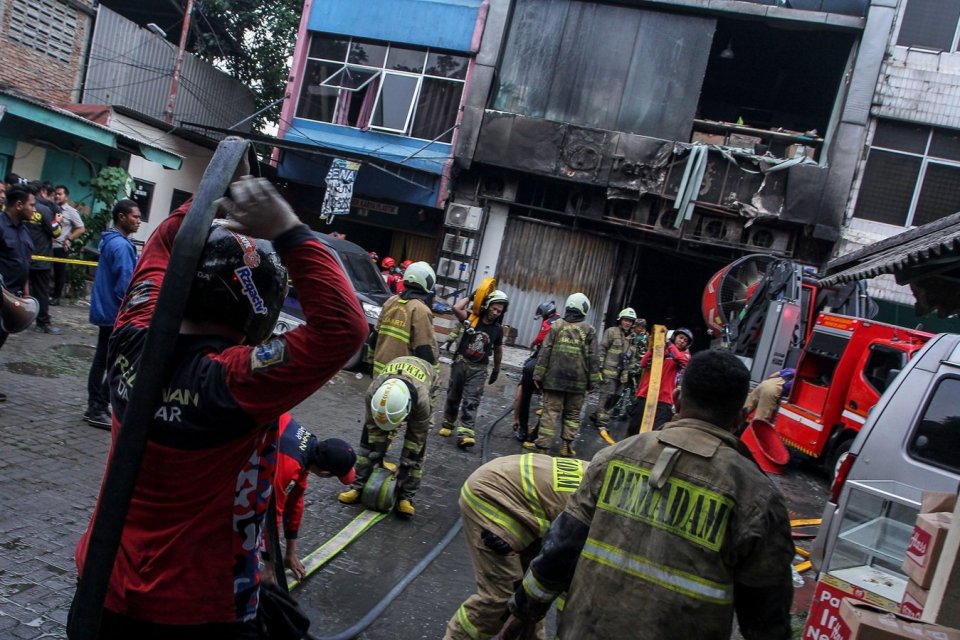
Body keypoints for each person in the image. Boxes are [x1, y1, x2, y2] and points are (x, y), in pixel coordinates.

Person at [73, 176, 368, 638]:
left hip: (101, 581)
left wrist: (219, 188)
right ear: (260, 308)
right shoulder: (235, 379)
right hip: (197, 606)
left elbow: (165, 240)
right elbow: (344, 329)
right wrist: (287, 229)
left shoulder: (130, 337)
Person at [498, 350, 795, 640]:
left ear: (677, 399)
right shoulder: (758, 496)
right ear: (741, 416)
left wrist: (524, 611)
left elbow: (561, 547)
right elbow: (767, 613)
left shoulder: (613, 457)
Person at [445, 453, 587, 640]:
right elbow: (567, 588)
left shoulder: (606, 473)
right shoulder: (603, 520)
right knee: (502, 601)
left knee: (529, 596)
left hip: (516, 486)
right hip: (493, 494)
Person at [338, 355, 440, 518]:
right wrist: (377, 457)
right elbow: (373, 429)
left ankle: (406, 497)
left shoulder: (422, 402)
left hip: (427, 380)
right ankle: (357, 486)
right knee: (367, 447)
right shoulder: (373, 393)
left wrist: (405, 467)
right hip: (395, 379)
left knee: (417, 450)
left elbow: (416, 438)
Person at [273, 414, 357, 580]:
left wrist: (290, 553)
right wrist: (270, 569)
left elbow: (295, 502)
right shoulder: (288, 467)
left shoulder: (308, 448)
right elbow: (271, 518)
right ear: (324, 473)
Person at [82, 199, 142, 428]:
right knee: (114, 362)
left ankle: (96, 406)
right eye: (135, 217)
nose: (138, 221)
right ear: (121, 217)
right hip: (115, 313)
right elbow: (125, 285)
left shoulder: (111, 241)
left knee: (105, 360)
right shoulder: (121, 246)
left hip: (106, 311)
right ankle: (97, 407)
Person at [524, 293, 600, 457]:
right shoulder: (589, 330)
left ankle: (543, 448)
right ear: (584, 309)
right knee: (572, 414)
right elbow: (593, 358)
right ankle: (566, 446)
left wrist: (538, 375)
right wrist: (594, 382)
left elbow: (545, 352)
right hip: (578, 383)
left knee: (549, 412)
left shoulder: (557, 325)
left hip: (554, 380)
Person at [441, 289, 507, 450]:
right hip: (461, 363)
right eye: (494, 308)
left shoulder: (498, 330)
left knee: (472, 400)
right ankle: (448, 423)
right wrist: (472, 297)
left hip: (479, 369)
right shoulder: (472, 318)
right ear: (487, 305)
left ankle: (465, 433)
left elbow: (498, 350)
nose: (496, 313)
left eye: (499, 311)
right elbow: (456, 308)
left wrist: (496, 369)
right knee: (453, 395)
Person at [371, 261, 438, 377]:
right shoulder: (421, 310)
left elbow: (375, 336)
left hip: (379, 372)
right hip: (401, 376)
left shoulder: (390, 302)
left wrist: (371, 359)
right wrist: (433, 373)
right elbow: (424, 349)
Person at [628, 326, 693, 435]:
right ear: (674, 337)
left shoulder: (684, 356)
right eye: (680, 337)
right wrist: (654, 347)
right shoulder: (660, 349)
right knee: (635, 428)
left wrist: (668, 343)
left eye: (685, 341)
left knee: (655, 433)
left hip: (664, 400)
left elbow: (683, 361)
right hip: (645, 394)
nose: (682, 341)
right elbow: (643, 363)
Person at [512, 301, 560, 442]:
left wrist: (533, 342)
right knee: (550, 402)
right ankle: (536, 433)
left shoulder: (549, 322)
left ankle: (522, 429)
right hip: (557, 367)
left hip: (540, 363)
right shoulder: (562, 321)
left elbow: (542, 337)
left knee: (525, 394)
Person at [0, 187, 35, 377]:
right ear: (19, 205)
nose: (34, 210)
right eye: (32, 205)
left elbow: (24, 263)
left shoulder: (24, 230)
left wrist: (26, 293)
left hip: (13, 298)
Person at [591, 307, 637, 432]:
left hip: (622, 375)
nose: (628, 323)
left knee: (615, 398)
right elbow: (602, 350)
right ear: (620, 320)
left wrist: (631, 370)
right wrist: (599, 368)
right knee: (606, 396)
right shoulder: (611, 332)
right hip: (609, 372)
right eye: (626, 320)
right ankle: (602, 423)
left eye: (630, 321)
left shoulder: (633, 338)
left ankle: (597, 415)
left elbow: (632, 357)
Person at [25, 181, 62, 334]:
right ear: (43, 192)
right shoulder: (44, 210)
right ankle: (43, 323)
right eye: (52, 195)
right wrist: (58, 222)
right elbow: (56, 232)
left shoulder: (19, 207)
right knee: (41, 291)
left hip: (23, 256)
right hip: (41, 259)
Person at [50, 184, 85, 304]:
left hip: (60, 246)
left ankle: (56, 297)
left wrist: (69, 238)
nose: (57, 196)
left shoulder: (71, 212)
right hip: (47, 245)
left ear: (66, 197)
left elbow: (81, 228)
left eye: (60, 194)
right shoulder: (50, 208)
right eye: (56, 193)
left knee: (59, 272)